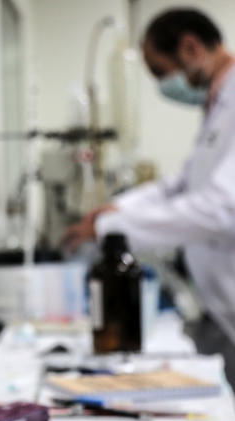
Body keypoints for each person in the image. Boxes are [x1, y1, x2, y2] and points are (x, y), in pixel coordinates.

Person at [64, 8, 235, 334]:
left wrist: (111, 227)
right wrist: (118, 209)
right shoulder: (218, 103)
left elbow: (222, 207)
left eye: (161, 72)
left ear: (191, 49)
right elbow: (183, 184)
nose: (163, 85)